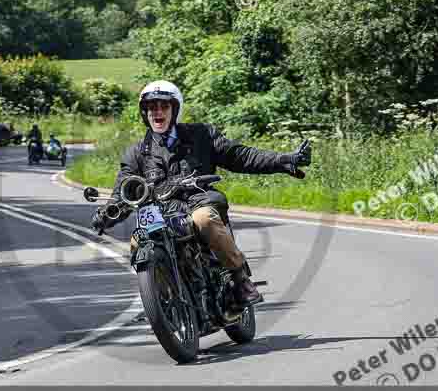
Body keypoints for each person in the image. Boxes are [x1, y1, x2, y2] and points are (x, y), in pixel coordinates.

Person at [90, 80, 310, 308]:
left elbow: (240, 155)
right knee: (138, 240)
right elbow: (124, 189)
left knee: (203, 219)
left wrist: (283, 160)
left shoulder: (201, 135)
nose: (157, 111)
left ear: (174, 109)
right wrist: (107, 213)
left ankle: (240, 279)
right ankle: (159, 300)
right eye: (151, 107)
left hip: (198, 200)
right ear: (144, 112)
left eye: (163, 106)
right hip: (160, 212)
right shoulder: (137, 153)